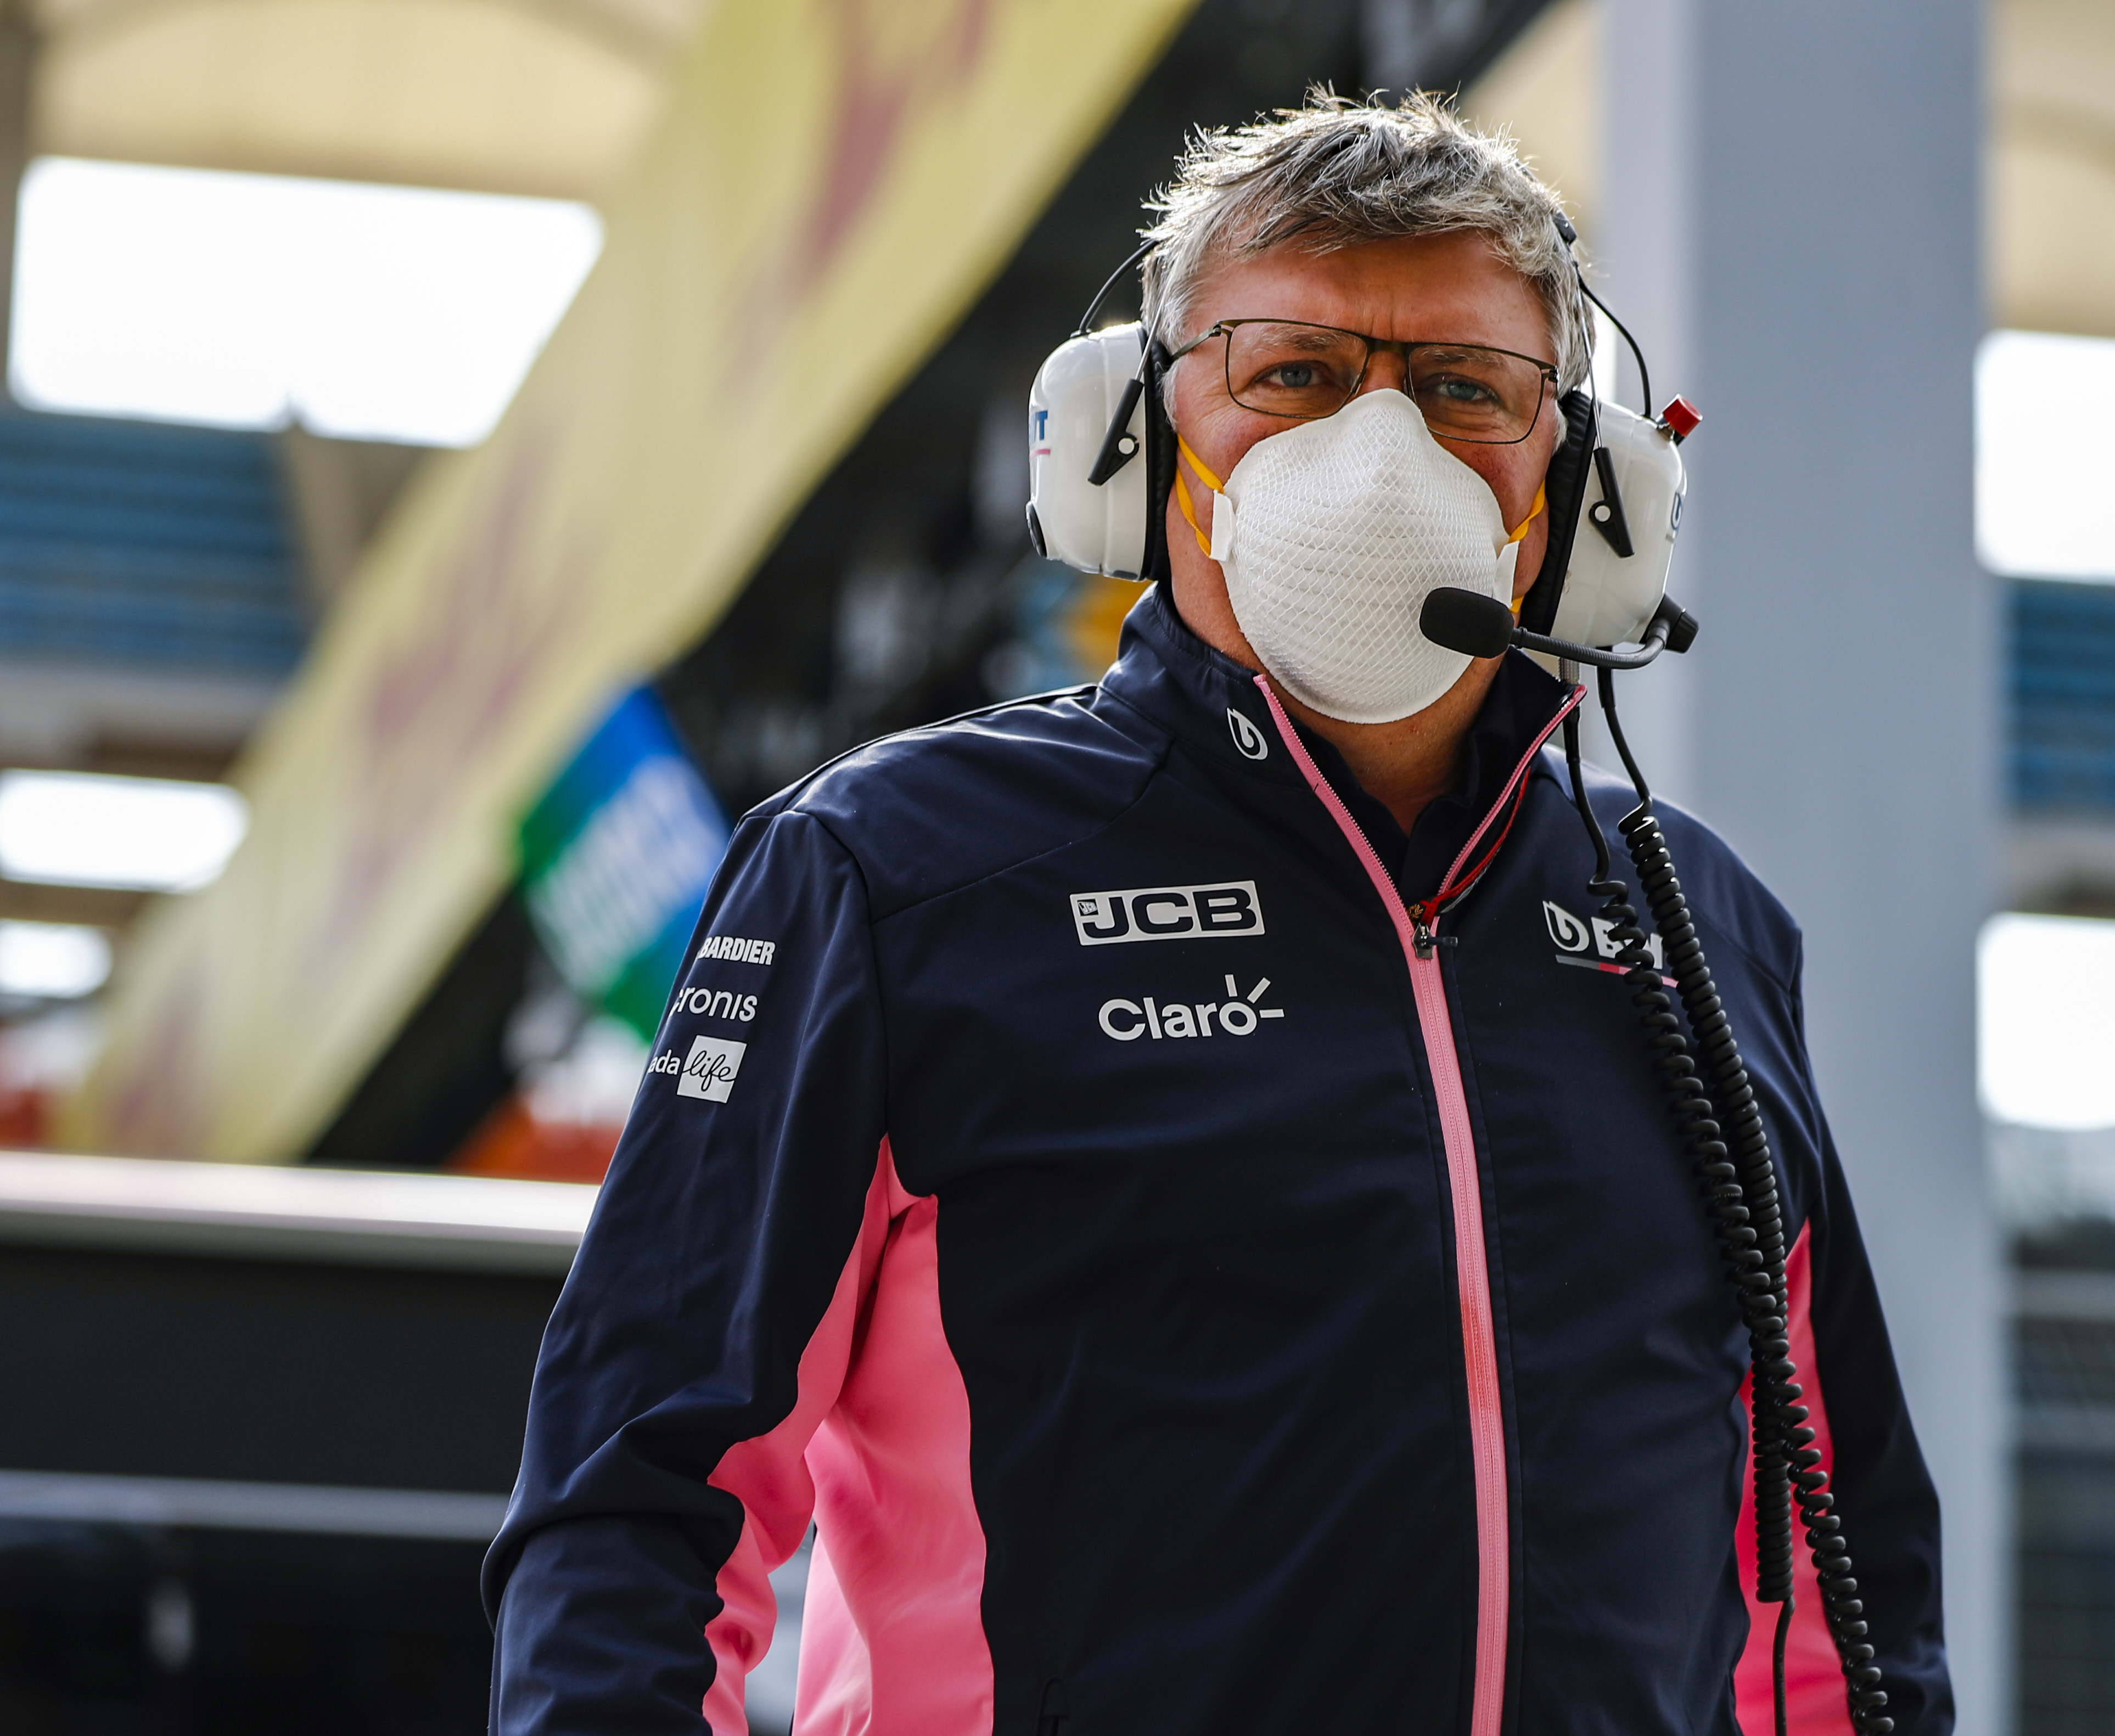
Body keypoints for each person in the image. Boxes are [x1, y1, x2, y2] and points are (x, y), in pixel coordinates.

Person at [484, 93, 1950, 1736]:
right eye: (1294, 374)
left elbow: (1841, 1598)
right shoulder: (888, 873)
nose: (1380, 455)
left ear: (1585, 488)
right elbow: (638, 1507)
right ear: (1132, 438)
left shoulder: (1701, 928)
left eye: (1466, 388)